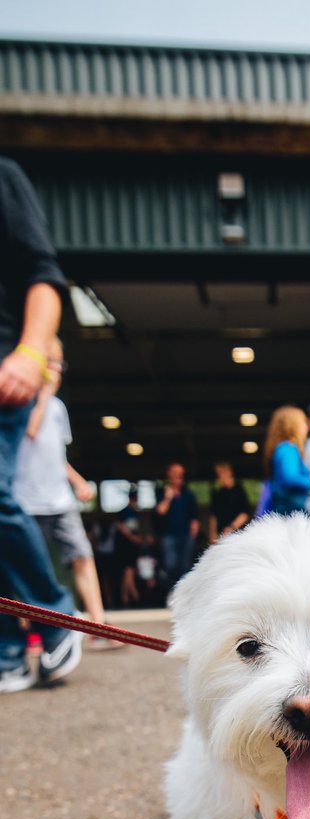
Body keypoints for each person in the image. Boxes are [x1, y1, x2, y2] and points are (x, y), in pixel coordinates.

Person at [0, 156, 82, 692]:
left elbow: (43, 274)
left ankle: (55, 616)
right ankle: (7, 649)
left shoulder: (3, 178)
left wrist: (31, 352)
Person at [14, 338, 119, 649]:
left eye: (59, 364)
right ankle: (32, 628)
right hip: (26, 499)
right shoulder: (21, 401)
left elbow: (55, 455)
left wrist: (77, 481)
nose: (56, 371)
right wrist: (43, 395)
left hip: (58, 498)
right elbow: (29, 433)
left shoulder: (58, 409)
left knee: (82, 556)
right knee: (30, 566)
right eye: (52, 363)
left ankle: (98, 624)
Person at [154, 462, 200, 591]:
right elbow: (160, 511)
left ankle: (185, 593)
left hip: (186, 534)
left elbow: (194, 515)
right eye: (175, 474)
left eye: (180, 474)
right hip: (169, 535)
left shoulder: (188, 494)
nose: (178, 477)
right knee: (170, 565)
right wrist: (168, 497)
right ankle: (172, 591)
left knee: (185, 566)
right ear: (169, 474)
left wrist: (194, 529)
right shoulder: (162, 492)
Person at [263, 406, 310, 515]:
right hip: (289, 512)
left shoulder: (281, 448)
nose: (306, 427)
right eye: (303, 422)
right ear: (294, 425)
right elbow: (290, 478)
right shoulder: (288, 449)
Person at [208, 460, 250, 544]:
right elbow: (213, 515)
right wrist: (212, 533)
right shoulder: (218, 493)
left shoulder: (239, 491)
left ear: (229, 472)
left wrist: (231, 528)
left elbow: (245, 514)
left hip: (237, 535)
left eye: (222, 473)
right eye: (218, 474)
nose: (219, 476)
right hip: (221, 536)